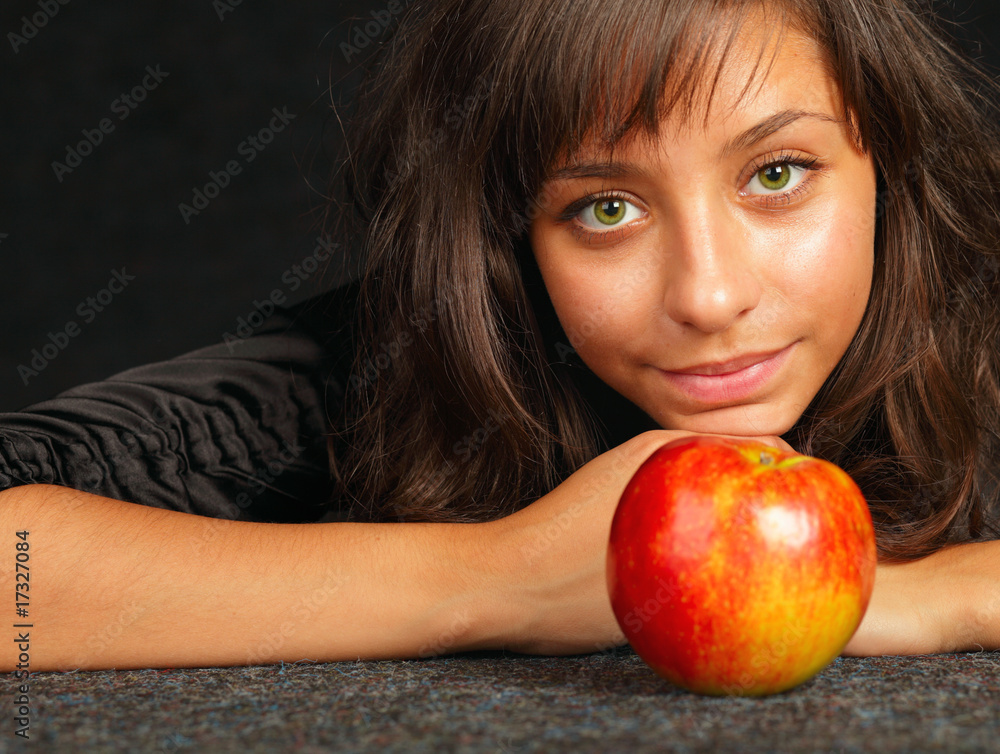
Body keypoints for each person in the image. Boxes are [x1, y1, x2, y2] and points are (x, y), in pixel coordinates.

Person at [3, 0, 999, 673]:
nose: (708, 294)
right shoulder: (372, 377)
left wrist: (925, 598)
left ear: (891, 168)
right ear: (503, 240)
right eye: (606, 208)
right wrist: (495, 578)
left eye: (775, 174)